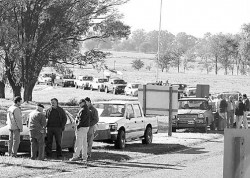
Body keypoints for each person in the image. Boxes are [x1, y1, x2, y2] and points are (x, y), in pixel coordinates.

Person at [69, 99, 90, 163]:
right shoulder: (87, 109)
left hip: (81, 128)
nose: (79, 104)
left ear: (83, 103)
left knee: (79, 143)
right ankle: (84, 157)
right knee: (84, 143)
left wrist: (77, 127)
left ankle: (76, 156)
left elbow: (81, 120)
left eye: (80, 103)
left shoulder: (83, 110)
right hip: (86, 127)